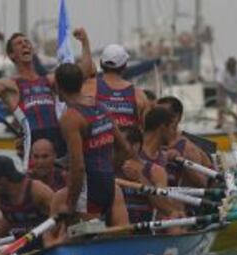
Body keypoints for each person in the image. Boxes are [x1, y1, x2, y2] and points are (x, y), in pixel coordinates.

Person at [0, 28, 95, 161]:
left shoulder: (49, 80)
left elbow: (85, 72)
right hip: (33, 150)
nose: (25, 45)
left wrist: (85, 42)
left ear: (32, 50)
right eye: (19, 44)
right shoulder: (9, 85)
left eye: (27, 42)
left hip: (59, 144)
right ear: (12, 55)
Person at [50, 63, 131, 226]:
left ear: (58, 87)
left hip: (89, 186)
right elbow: (124, 149)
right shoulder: (100, 106)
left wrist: (71, 204)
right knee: (101, 238)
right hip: (108, 182)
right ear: (81, 84)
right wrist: (109, 170)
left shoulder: (70, 118)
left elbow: (78, 166)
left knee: (83, 240)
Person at [84, 44, 152, 130]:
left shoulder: (88, 89)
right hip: (129, 142)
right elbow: (148, 131)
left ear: (101, 64)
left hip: (100, 142)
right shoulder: (139, 95)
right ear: (125, 66)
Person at [117, 126, 175, 223]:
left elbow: (166, 209)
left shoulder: (156, 171)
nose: (115, 148)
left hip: (145, 231)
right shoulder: (110, 168)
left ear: (136, 146)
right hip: (118, 231)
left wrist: (141, 178)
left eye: (120, 144)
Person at [157, 96, 211, 187]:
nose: (156, 119)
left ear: (176, 118)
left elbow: (202, 183)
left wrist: (183, 162)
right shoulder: (152, 142)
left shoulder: (188, 149)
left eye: (161, 115)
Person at [216, 57, 237, 129]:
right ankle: (219, 122)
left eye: (232, 67)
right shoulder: (223, 70)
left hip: (234, 90)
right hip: (223, 89)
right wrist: (220, 98)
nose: (230, 69)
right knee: (221, 104)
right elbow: (219, 85)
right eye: (229, 67)